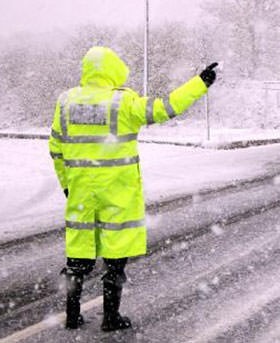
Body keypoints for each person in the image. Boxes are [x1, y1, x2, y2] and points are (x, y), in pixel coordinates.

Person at [48, 46, 218, 331]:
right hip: (117, 194)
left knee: (77, 259)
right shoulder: (123, 103)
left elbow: (55, 148)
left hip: (80, 194)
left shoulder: (66, 102)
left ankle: (72, 315)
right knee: (114, 262)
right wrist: (200, 82)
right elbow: (166, 108)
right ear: (113, 70)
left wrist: (67, 185)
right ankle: (110, 318)